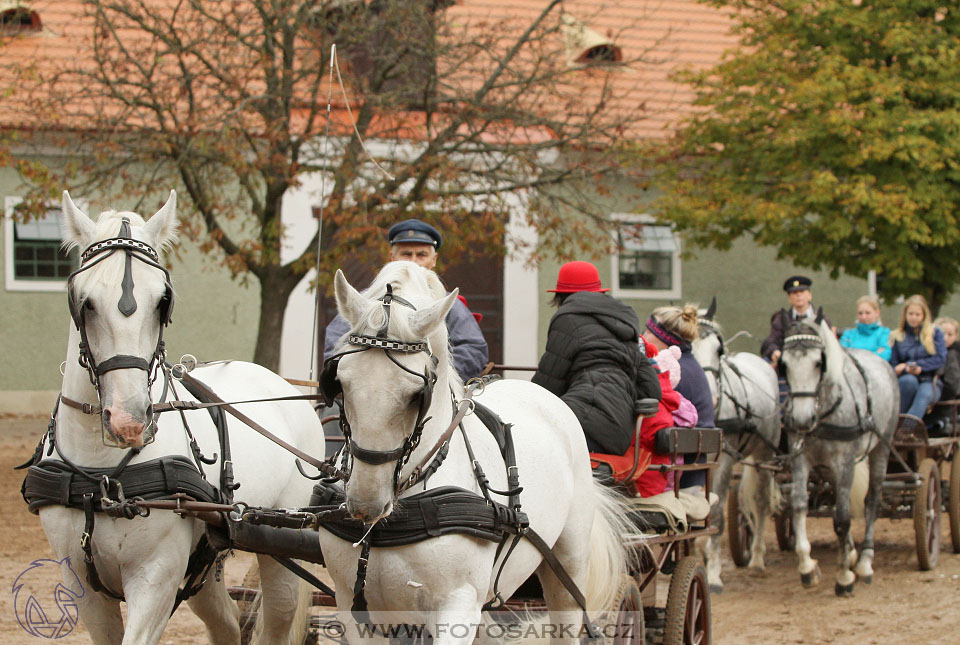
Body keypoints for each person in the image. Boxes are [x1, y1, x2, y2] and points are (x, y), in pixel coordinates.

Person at [323, 218, 489, 380]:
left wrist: (434, 378)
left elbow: (473, 348)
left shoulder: (449, 304)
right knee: (330, 409)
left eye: (421, 255)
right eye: (406, 254)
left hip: (432, 394)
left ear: (434, 260)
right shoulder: (367, 301)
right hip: (365, 388)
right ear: (392, 257)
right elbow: (336, 342)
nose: (413, 262)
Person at [532, 261, 661, 456]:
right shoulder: (624, 325)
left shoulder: (567, 318)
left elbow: (548, 384)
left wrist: (521, 401)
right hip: (619, 432)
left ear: (561, 295)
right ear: (599, 292)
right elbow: (652, 390)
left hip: (580, 422)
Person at [642, 304, 715, 489]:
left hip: (676, 479)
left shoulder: (672, 371)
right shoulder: (691, 365)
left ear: (662, 338)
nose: (643, 336)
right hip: (694, 474)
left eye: (648, 331)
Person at [889, 295, 947, 419]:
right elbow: (894, 364)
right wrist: (905, 368)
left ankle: (906, 430)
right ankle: (894, 423)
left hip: (930, 380)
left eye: (917, 314)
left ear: (924, 315)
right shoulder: (898, 336)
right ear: (905, 314)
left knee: (924, 395)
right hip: (907, 378)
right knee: (908, 383)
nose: (913, 318)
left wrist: (920, 366)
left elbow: (940, 358)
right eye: (910, 314)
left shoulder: (935, 333)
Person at [761, 275, 833, 366]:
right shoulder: (781, 319)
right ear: (789, 298)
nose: (798, 295)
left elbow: (829, 345)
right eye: (794, 292)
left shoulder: (821, 319)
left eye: (802, 291)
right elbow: (771, 341)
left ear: (810, 295)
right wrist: (774, 352)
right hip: (788, 367)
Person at [839, 295, 891, 361]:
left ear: (877, 313)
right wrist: (875, 353)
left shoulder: (884, 333)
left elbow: (885, 355)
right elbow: (842, 355)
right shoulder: (848, 334)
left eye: (867, 313)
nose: (863, 317)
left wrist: (855, 357)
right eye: (860, 313)